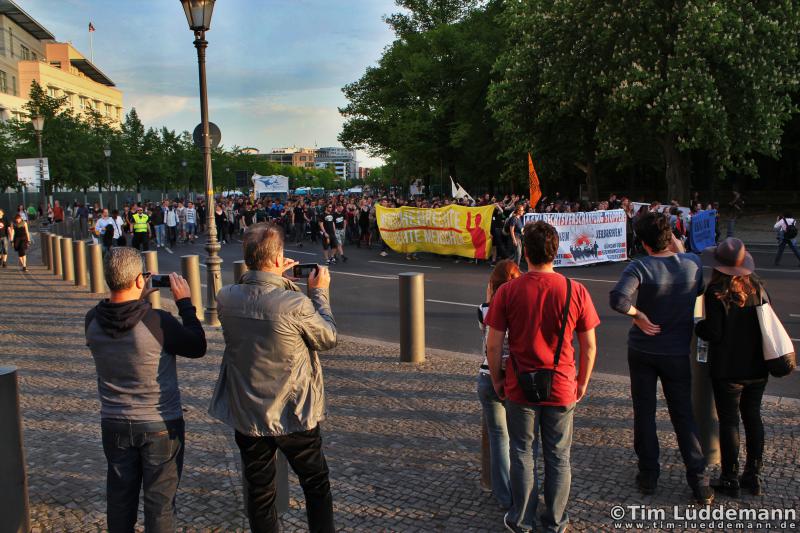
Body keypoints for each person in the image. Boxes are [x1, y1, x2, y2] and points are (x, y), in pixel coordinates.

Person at [209, 223, 337, 533]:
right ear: (279, 257)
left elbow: (259, 300)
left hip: (249, 412)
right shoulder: (296, 304)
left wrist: (278, 281)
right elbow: (328, 337)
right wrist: (318, 294)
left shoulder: (225, 297)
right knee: (316, 484)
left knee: (260, 492)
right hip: (293, 411)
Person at [485, 221, 599, 533]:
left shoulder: (508, 291)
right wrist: (583, 381)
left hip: (520, 385)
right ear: (556, 250)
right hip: (562, 383)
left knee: (522, 453)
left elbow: (493, 344)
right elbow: (588, 345)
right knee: (559, 456)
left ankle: (522, 520)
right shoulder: (576, 290)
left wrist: (497, 379)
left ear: (526, 252)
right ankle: (556, 521)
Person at [85, 247, 207, 532]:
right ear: (140, 280)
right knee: (160, 505)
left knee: (119, 500)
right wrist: (185, 304)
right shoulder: (157, 321)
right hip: (159, 423)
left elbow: (120, 316)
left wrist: (137, 296)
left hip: (114, 422)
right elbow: (197, 346)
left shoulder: (92, 320)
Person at [609, 211, 714, 504]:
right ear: (670, 237)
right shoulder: (692, 264)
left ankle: (648, 475)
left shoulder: (640, 267)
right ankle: (699, 480)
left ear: (642, 243)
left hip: (643, 350)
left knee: (645, 413)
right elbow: (700, 291)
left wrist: (638, 314)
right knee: (684, 416)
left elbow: (618, 299)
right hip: (677, 352)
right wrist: (679, 248)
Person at [696, 238, 767, 497]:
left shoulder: (716, 292)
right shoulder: (758, 287)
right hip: (758, 366)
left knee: (729, 422)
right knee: (753, 418)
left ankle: (729, 477)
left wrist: (698, 327)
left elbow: (714, 333)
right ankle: (753, 476)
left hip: (728, 370)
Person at [477, 259, 521, 510]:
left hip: (488, 374)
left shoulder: (484, 308)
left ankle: (504, 496)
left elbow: (489, 341)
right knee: (522, 440)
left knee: (498, 438)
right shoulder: (522, 307)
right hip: (517, 376)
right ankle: (522, 491)